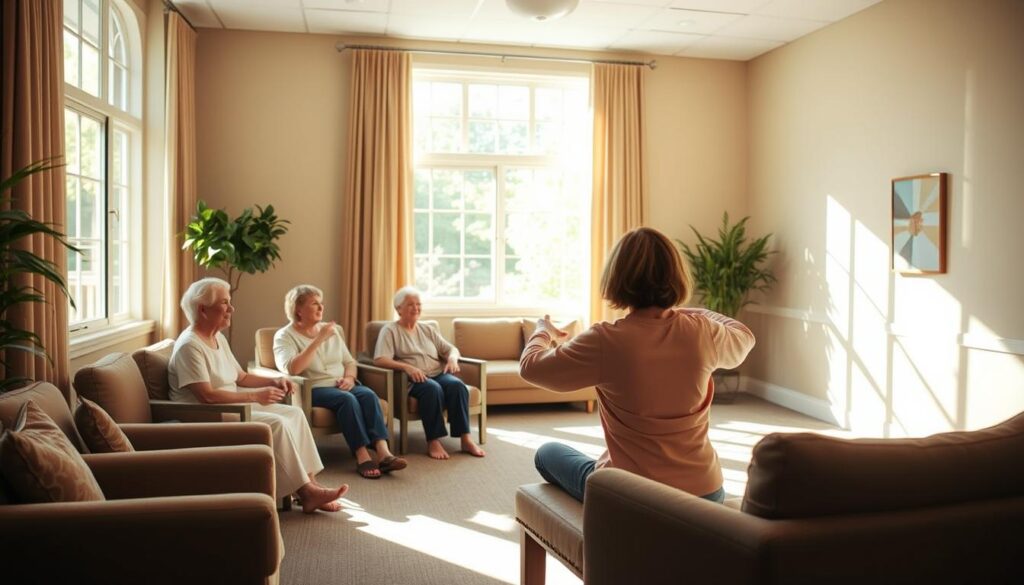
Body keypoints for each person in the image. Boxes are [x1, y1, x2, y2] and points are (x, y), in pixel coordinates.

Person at [519, 227, 755, 503]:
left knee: (547, 453)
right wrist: (688, 313)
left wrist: (542, 330)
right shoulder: (703, 332)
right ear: (676, 276)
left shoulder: (605, 339)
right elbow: (744, 335)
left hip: (632, 497)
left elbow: (531, 367)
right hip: (706, 492)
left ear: (617, 278)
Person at [168, 277, 348, 513]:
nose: (232, 308)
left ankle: (310, 484)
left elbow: (241, 377)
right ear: (203, 309)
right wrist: (255, 396)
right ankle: (306, 492)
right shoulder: (189, 346)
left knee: (294, 414)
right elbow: (207, 396)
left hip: (230, 407)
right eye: (225, 303)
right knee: (277, 423)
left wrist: (274, 380)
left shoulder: (216, 337)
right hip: (206, 416)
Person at [273, 284, 407, 479]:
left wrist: (350, 378)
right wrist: (318, 340)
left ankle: (384, 453)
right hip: (314, 388)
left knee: (368, 395)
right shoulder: (284, 336)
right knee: (347, 400)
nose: (321, 308)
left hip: (342, 383)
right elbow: (292, 368)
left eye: (321, 304)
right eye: (314, 304)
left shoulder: (331, 331)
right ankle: (361, 456)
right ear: (298, 309)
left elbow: (349, 361)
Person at [373, 286, 486, 460]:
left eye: (418, 304)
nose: (416, 308)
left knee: (457, 386)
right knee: (432, 390)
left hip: (438, 373)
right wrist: (407, 367)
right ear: (398, 309)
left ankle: (465, 438)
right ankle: (433, 440)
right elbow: (380, 359)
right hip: (412, 379)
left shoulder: (427, 329)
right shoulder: (390, 331)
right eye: (410, 304)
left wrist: (452, 359)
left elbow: (451, 349)